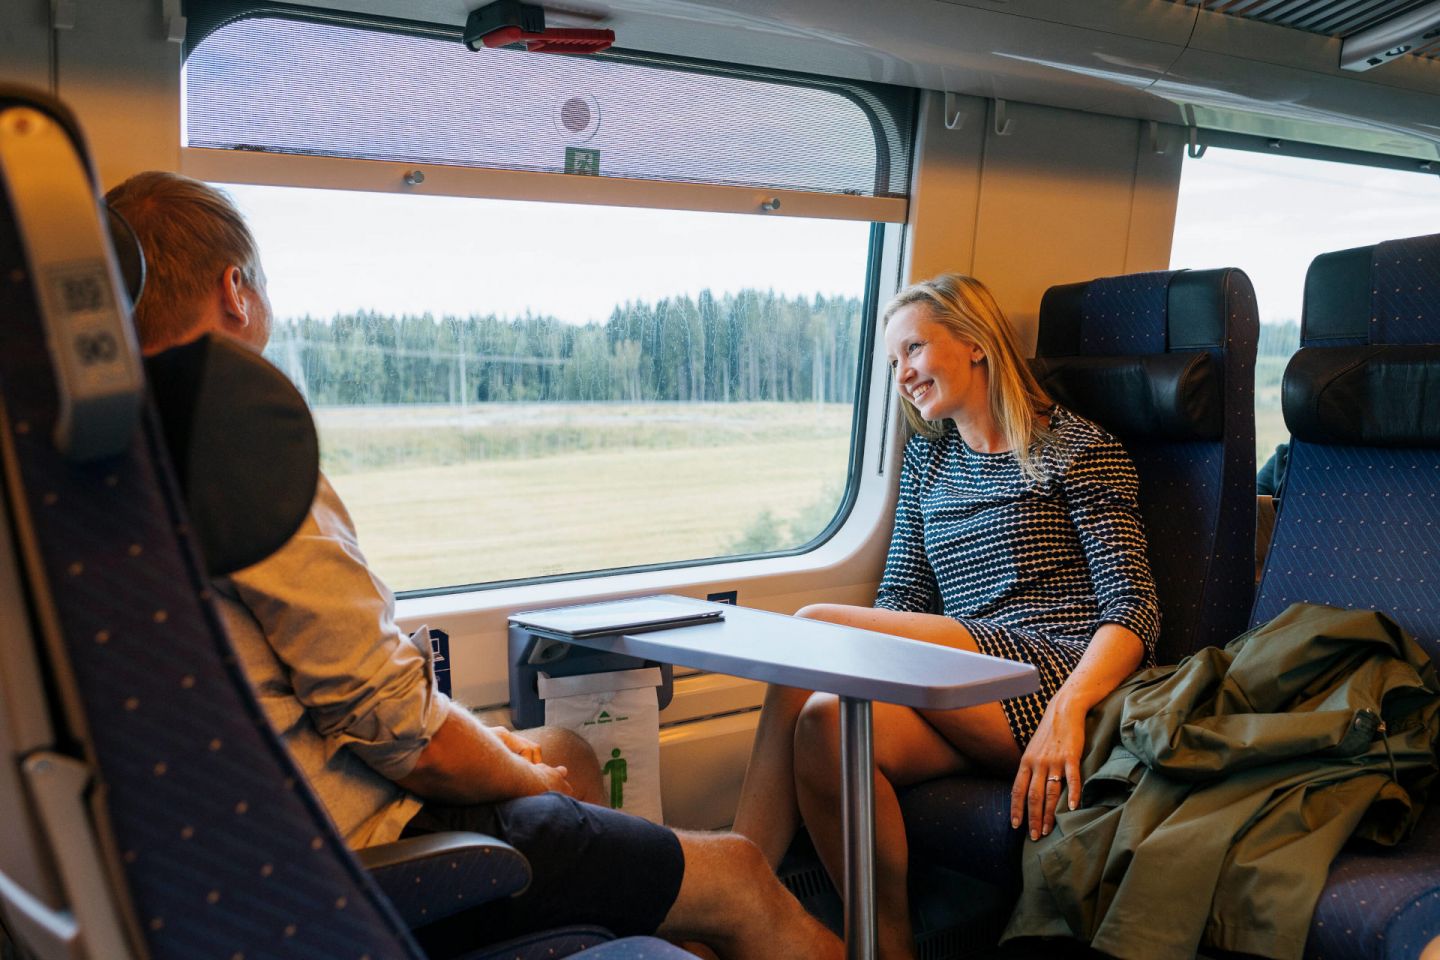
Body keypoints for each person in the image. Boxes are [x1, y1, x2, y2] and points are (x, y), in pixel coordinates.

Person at [106, 170, 841, 960]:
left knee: (567, 750)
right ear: (236, 291)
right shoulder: (224, 446)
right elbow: (398, 728)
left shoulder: (91, 462)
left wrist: (521, 760)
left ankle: (621, 928)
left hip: (257, 839)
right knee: (740, 873)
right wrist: (522, 782)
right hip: (370, 856)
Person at [733, 274, 1161, 959]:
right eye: (893, 363)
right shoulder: (930, 459)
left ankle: (740, 872)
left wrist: (1068, 711)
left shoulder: (1079, 451)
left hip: (1053, 673)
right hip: (960, 682)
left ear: (975, 343)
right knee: (822, 726)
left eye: (913, 351)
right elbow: (901, 600)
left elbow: (1133, 609)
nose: (902, 375)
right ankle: (888, 944)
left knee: (815, 621)